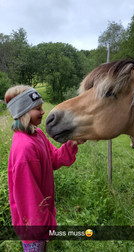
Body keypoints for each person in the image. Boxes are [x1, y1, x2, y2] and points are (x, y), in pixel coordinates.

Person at [5, 85, 84, 252]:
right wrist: (46, 226)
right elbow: (28, 198)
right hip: (33, 226)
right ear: (23, 112)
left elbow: (54, 159)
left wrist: (73, 142)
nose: (43, 112)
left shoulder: (37, 134)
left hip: (39, 221)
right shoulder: (24, 149)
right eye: (38, 108)